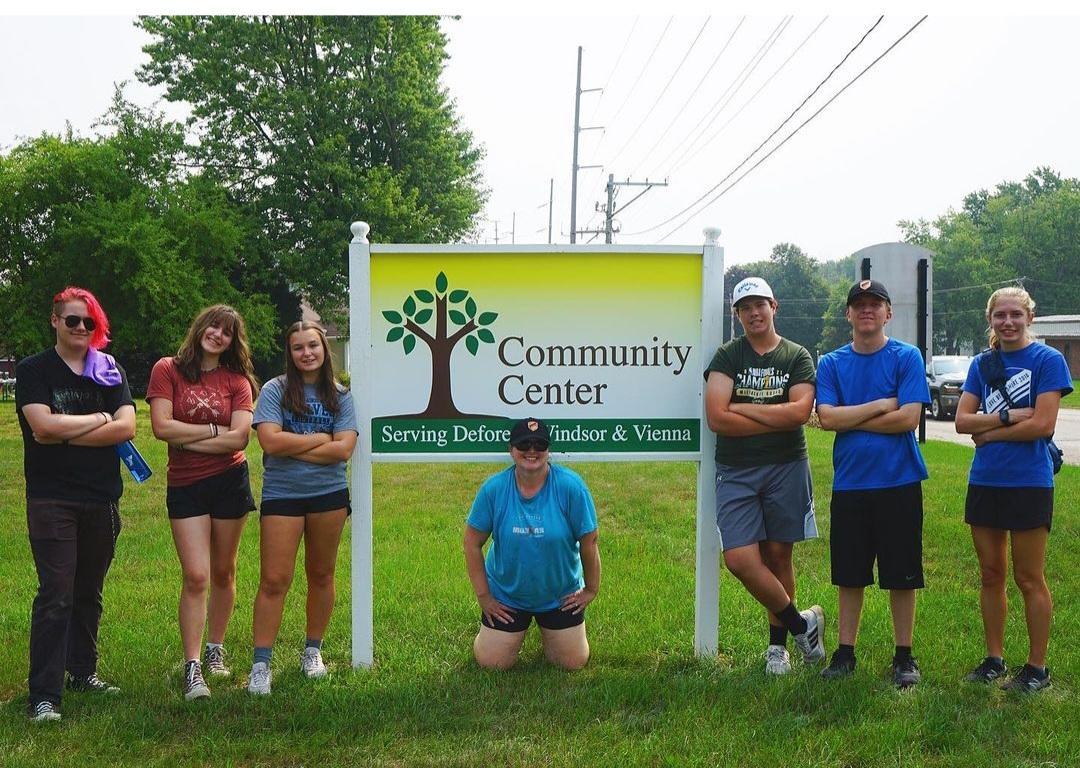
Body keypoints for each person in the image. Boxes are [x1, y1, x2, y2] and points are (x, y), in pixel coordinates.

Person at [16, 287, 136, 723]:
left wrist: (68, 430)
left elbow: (127, 427)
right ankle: (44, 696)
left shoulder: (108, 369)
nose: (81, 328)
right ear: (55, 321)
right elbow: (41, 426)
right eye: (72, 320)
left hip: (101, 497)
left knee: (88, 592)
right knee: (56, 594)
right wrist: (101, 420)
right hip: (52, 498)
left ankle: (83, 672)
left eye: (89, 322)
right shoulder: (34, 370)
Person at [704, 276, 825, 675]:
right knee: (740, 559)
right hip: (736, 470)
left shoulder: (796, 356)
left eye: (760, 305)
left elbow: (799, 413)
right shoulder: (728, 356)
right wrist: (775, 415)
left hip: (786, 466)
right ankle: (802, 625)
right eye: (745, 308)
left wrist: (742, 408)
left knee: (777, 556)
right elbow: (717, 417)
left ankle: (778, 649)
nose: (753, 313)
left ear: (774, 307)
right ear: (736, 314)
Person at [954, 287, 1072, 693]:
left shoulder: (1048, 360)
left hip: (1029, 482)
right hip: (985, 480)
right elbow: (962, 422)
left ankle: (1037, 668)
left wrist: (990, 433)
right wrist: (1009, 416)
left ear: (1029, 318)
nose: (1007, 322)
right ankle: (994, 659)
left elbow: (1043, 425)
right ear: (990, 319)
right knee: (991, 574)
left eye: (1015, 315)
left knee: (1029, 577)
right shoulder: (981, 364)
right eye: (1000, 315)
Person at [816, 279, 930, 688]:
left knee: (902, 574)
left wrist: (852, 416)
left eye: (875, 303)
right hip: (851, 483)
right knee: (850, 574)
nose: (867, 309)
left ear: (888, 313)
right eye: (859, 304)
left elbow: (908, 418)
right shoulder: (831, 363)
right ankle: (845, 654)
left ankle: (904, 656)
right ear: (848, 314)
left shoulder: (907, 356)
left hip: (899, 480)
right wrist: (882, 403)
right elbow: (827, 417)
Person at [147, 305, 258, 700]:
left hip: (230, 481)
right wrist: (214, 429)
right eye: (213, 326)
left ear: (232, 341)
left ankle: (215, 648)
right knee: (196, 575)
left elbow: (240, 438)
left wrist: (187, 439)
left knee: (224, 572)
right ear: (200, 327)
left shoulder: (237, 381)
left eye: (226, 332)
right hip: (186, 485)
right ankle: (192, 666)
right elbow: (161, 427)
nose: (217, 335)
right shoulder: (167, 369)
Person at [247, 322, 357, 695]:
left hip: (329, 495)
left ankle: (312, 652)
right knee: (274, 580)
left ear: (324, 349)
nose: (307, 353)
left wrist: (294, 444)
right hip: (283, 495)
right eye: (298, 348)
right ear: (290, 353)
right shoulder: (274, 390)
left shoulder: (341, 396)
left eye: (313, 345)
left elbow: (343, 450)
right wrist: (320, 438)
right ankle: (261, 664)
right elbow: (269, 442)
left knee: (322, 575)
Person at [464, 418, 600, 670]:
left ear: (548, 449)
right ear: (511, 449)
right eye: (524, 444)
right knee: (492, 663)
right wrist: (484, 596)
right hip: (507, 596)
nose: (532, 450)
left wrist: (591, 589)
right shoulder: (494, 489)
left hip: (560, 596)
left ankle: (553, 632)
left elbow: (589, 541)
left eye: (539, 444)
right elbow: (471, 542)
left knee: (571, 662)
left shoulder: (571, 487)